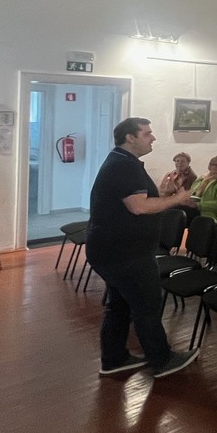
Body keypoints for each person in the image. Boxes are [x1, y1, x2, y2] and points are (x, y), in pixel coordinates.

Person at [85, 117, 199, 379]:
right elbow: (138, 207)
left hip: (112, 250)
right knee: (147, 306)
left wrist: (163, 194)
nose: (153, 138)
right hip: (126, 254)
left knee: (120, 305)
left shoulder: (121, 161)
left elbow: (137, 200)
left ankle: (114, 358)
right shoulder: (125, 165)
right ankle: (162, 360)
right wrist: (178, 198)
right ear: (130, 138)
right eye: (147, 133)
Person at [188, 155, 217, 224]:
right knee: (176, 209)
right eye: (212, 164)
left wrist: (198, 205)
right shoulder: (202, 178)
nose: (214, 167)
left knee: (181, 213)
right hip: (195, 208)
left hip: (209, 213)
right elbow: (192, 191)